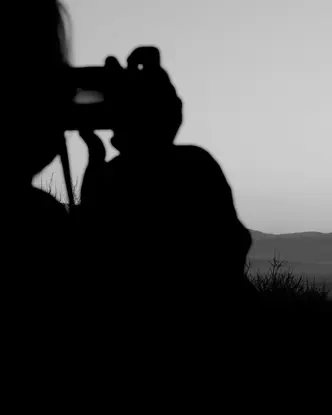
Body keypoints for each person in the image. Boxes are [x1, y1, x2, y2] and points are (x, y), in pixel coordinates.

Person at [77, 47, 259, 332]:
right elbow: (229, 249)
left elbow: (91, 261)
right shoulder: (197, 165)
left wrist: (96, 172)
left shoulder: (115, 176)